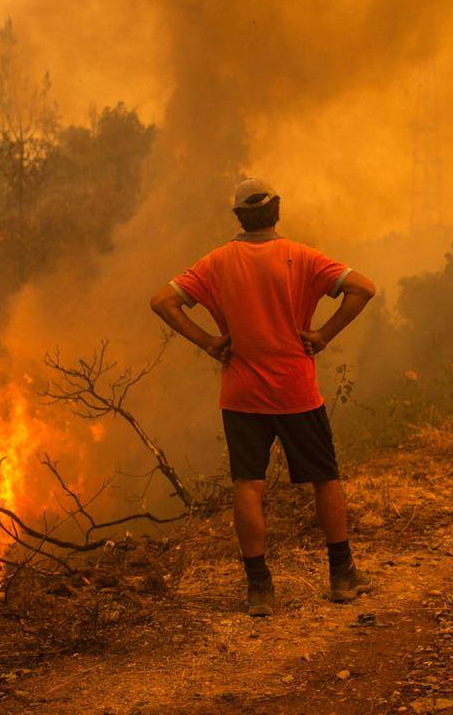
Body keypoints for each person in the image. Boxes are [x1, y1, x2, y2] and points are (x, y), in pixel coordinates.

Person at [149, 178, 377, 616]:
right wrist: (324, 334)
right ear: (278, 210)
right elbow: (363, 288)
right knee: (325, 479)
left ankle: (259, 589)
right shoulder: (303, 257)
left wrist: (209, 342)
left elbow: (163, 301)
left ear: (238, 217)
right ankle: (343, 576)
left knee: (247, 486)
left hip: (241, 396)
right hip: (296, 392)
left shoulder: (216, 263)